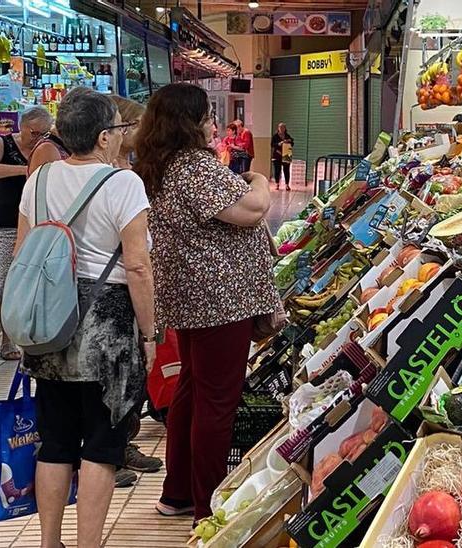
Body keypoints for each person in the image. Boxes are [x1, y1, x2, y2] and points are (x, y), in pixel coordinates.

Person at [14, 90, 157, 548]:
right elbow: (137, 266)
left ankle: (49, 542)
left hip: (49, 320)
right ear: (101, 137)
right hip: (108, 323)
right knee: (101, 444)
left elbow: (21, 256)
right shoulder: (123, 183)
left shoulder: (38, 179)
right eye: (117, 128)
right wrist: (149, 334)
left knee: (55, 440)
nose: (120, 136)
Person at [133, 83, 279, 522]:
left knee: (192, 391)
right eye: (207, 116)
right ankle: (208, 506)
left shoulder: (158, 166)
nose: (214, 124)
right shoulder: (194, 166)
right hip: (221, 300)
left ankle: (177, 492)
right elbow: (250, 209)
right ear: (190, 122)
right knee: (217, 401)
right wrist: (259, 179)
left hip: (190, 298)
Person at [106, 95, 165, 487]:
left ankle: (121, 445)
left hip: (128, 282)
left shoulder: (130, 168)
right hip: (113, 287)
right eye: (138, 124)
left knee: (130, 378)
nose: (144, 131)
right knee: (114, 376)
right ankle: (107, 454)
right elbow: (134, 256)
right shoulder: (112, 175)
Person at [0, 106, 52, 361]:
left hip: (39, 222)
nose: (38, 138)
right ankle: (7, 339)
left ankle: (35, 333)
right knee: (7, 282)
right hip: (8, 222)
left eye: (43, 133)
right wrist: (24, 170)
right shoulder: (4, 144)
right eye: (34, 132)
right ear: (23, 127)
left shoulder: (47, 148)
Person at [271, 122, 294, 190]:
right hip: (277, 154)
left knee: (286, 170)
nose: (281, 129)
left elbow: (292, 143)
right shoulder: (275, 136)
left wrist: (288, 141)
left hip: (286, 154)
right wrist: (279, 144)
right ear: (278, 128)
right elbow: (272, 145)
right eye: (280, 127)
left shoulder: (287, 136)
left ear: (285, 128)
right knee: (277, 170)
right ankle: (277, 184)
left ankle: (287, 184)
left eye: (283, 127)